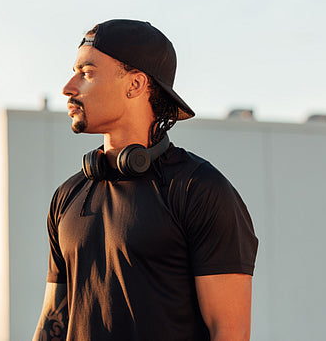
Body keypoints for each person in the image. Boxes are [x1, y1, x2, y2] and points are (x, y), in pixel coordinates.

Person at [34, 19, 258, 341]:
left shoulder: (199, 190)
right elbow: (51, 323)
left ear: (135, 84)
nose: (69, 87)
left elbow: (230, 332)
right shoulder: (67, 196)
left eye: (87, 73)